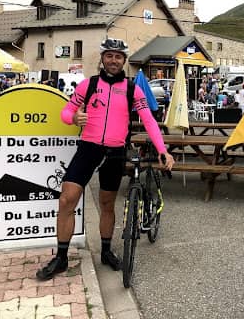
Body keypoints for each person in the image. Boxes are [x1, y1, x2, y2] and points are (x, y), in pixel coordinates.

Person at [36, 38, 175, 281]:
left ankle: (107, 251)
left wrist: (163, 149)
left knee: (107, 204)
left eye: (118, 56)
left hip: (115, 151)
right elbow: (67, 111)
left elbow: (149, 120)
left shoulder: (133, 89)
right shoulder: (88, 85)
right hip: (89, 148)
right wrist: (73, 119)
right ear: (102, 58)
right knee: (67, 199)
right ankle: (60, 258)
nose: (113, 60)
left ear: (123, 61)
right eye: (109, 55)